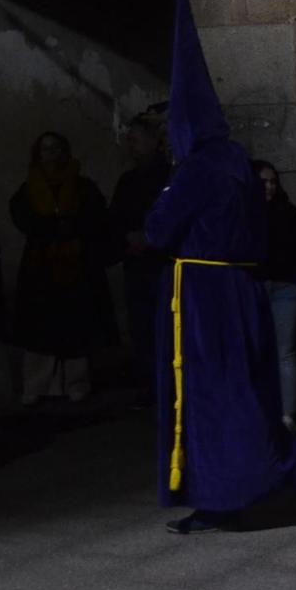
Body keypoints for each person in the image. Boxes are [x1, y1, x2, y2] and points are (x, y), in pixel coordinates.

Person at [148, 0, 296, 534]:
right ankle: (246, 490)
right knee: (247, 389)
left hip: (202, 296)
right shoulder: (240, 166)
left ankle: (264, 484)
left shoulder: (197, 170)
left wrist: (165, 193)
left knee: (211, 397)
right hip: (244, 289)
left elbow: (159, 231)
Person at [9, 130, 115, 405]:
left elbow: (94, 217)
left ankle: (75, 383)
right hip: (41, 268)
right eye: (45, 149)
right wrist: (51, 229)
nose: (51, 154)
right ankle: (39, 384)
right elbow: (24, 217)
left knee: (75, 328)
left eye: (56, 148)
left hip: (75, 267)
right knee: (40, 331)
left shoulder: (82, 187)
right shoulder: (29, 188)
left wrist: (70, 229)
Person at [109, 109, 173, 401]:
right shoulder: (127, 181)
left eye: (135, 140)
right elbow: (116, 217)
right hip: (136, 264)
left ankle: (169, 387)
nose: (130, 146)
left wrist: (150, 238)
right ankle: (149, 385)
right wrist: (127, 238)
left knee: (165, 329)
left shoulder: (169, 177)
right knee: (141, 328)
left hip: (161, 265)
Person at [253, 161, 296, 428]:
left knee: (285, 351)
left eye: (273, 181)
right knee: (259, 351)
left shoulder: (286, 212)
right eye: (263, 182)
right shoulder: (246, 213)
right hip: (258, 284)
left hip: (284, 286)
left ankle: (287, 415)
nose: (270, 187)